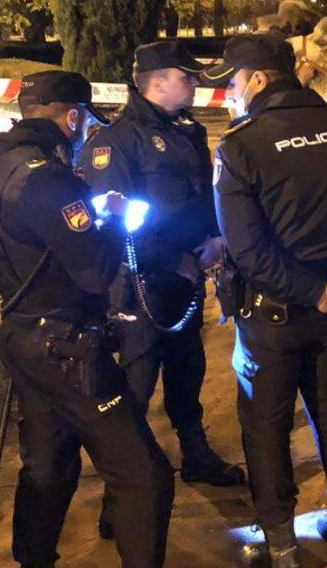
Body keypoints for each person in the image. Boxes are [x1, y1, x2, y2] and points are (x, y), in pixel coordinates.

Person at [0, 70, 173, 568]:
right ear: (72, 116)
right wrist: (116, 222)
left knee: (48, 465)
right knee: (144, 474)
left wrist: (84, 212)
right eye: (85, 121)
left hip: (20, 336)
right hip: (68, 348)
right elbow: (96, 274)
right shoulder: (48, 178)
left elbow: (31, 234)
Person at [207, 34, 327, 568]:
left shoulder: (240, 147)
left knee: (266, 426)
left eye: (235, 83)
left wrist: (317, 291)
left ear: (260, 80)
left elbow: (247, 251)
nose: (231, 96)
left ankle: (282, 546)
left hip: (275, 318)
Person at [78, 42, 244, 539]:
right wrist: (179, 260)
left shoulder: (188, 131)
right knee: (134, 387)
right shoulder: (115, 141)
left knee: (187, 368)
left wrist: (215, 241)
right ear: (157, 81)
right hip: (140, 284)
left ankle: (195, 454)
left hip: (187, 276)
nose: (195, 85)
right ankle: (121, 494)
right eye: (187, 77)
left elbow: (199, 196)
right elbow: (112, 222)